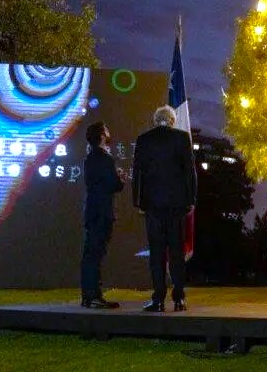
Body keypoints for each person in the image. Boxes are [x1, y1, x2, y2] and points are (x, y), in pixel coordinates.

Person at [132, 105, 196, 312]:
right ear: (172, 120)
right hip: (177, 206)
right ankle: (179, 298)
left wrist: (138, 202)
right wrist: (191, 200)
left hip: (152, 205)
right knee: (176, 253)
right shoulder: (182, 138)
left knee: (157, 253)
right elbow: (190, 173)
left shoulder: (144, 139)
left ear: (155, 119)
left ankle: (158, 299)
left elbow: (138, 174)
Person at [80, 121, 127, 309]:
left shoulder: (89, 158)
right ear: (101, 136)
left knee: (90, 254)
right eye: (106, 131)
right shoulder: (105, 159)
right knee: (96, 255)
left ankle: (88, 295)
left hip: (92, 212)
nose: (109, 133)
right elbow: (113, 185)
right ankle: (93, 296)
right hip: (102, 213)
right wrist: (120, 177)